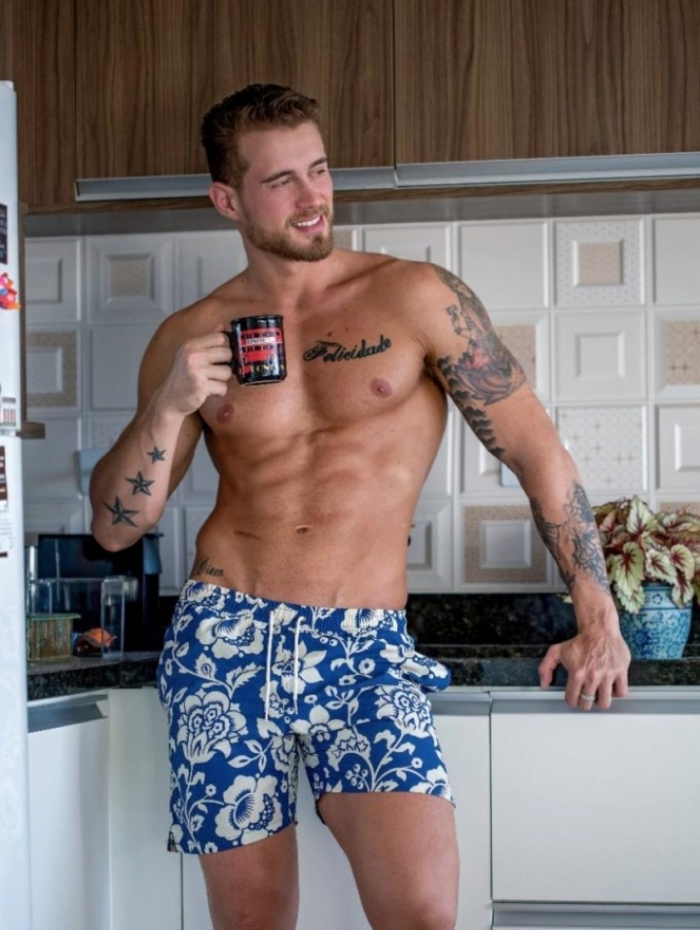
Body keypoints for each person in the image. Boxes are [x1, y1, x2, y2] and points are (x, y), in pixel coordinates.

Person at [90, 83, 631, 930]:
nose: (313, 197)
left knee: (421, 913)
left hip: (365, 645)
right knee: (254, 922)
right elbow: (116, 526)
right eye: (281, 181)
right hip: (225, 641)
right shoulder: (190, 336)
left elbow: (538, 453)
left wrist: (596, 614)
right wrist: (168, 404)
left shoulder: (416, 297)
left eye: (319, 169)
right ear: (228, 201)